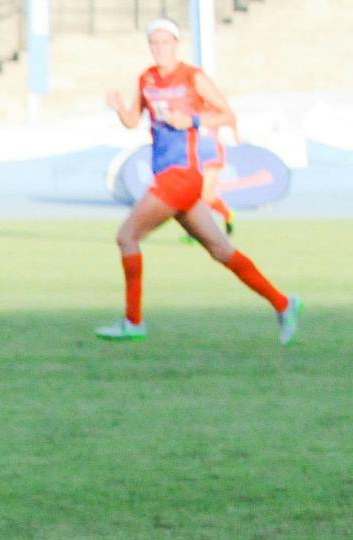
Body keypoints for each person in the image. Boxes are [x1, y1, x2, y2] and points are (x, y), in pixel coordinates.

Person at [97, 19, 299, 344]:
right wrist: (120, 107)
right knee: (221, 250)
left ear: (176, 44)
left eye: (165, 42)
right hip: (167, 175)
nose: (160, 48)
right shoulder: (146, 78)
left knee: (126, 237)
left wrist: (190, 119)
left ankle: (133, 322)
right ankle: (284, 303)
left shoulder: (193, 77)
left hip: (183, 175)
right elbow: (134, 121)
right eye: (155, 43)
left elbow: (228, 115)